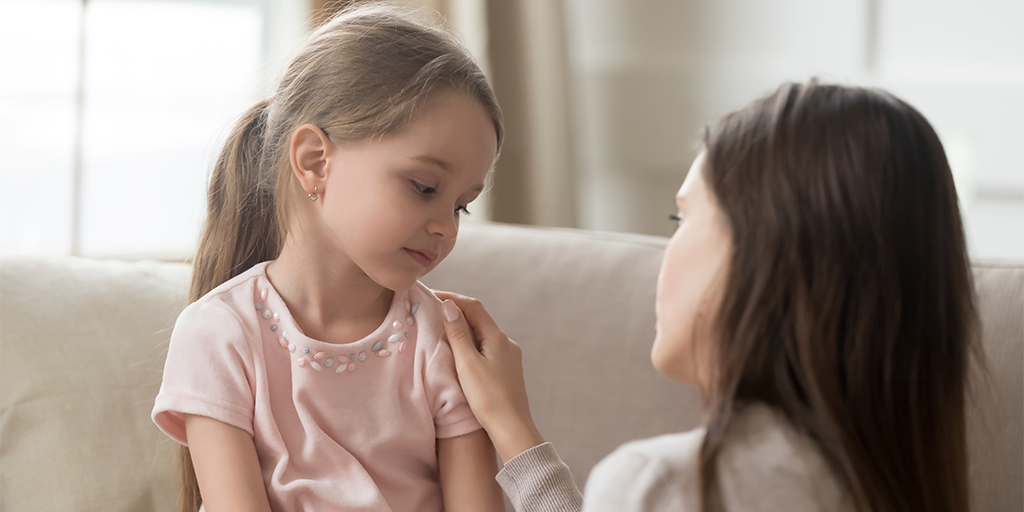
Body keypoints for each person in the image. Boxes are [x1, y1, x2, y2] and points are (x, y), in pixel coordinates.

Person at [437, 80, 979, 512]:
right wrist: (515, 432)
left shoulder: (665, 485)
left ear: (763, 251)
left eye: (684, 217)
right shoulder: (896, 483)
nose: (666, 251)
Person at [151, 5, 505, 512]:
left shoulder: (442, 339)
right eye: (423, 186)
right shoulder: (219, 334)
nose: (446, 227)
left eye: (460, 205)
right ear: (316, 162)